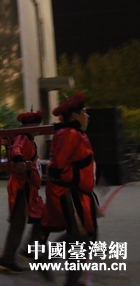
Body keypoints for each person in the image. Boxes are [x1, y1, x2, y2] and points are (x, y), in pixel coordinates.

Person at [41, 92, 98, 286]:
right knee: (81, 238)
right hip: (69, 194)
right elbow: (57, 165)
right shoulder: (68, 134)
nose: (87, 115)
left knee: (85, 237)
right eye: (84, 112)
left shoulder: (75, 134)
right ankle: (66, 276)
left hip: (79, 193)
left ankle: (54, 263)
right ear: (74, 115)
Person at [0, 110, 45, 273]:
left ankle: (30, 249)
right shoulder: (23, 137)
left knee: (42, 218)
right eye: (37, 125)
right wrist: (18, 159)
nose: (39, 128)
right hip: (21, 186)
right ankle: (6, 259)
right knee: (18, 223)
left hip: (29, 187)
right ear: (30, 125)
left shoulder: (30, 139)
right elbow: (16, 149)